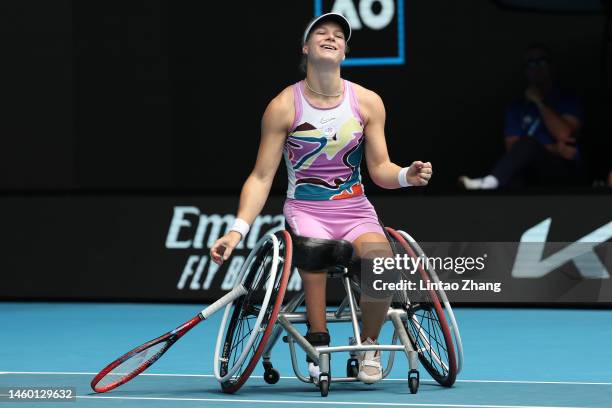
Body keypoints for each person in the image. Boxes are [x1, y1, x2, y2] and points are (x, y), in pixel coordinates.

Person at [210, 13, 432, 384]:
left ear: (344, 51)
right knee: (313, 253)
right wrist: (236, 231)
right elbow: (262, 176)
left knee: (382, 264)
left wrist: (405, 176)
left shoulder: (367, 102)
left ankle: (370, 346)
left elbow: (379, 169)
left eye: (338, 36)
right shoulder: (283, 106)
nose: (331, 38)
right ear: (306, 48)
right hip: (307, 210)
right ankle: (318, 341)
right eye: (321, 34)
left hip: (355, 208)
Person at [459, 44, 584, 189]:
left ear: (551, 66)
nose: (537, 67)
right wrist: (554, 148)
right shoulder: (517, 107)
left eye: (541, 61)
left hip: (561, 169)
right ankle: (491, 183)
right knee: (521, 160)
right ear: (525, 70)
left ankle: (490, 182)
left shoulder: (568, 99)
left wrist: (539, 102)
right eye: (531, 63)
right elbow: (514, 148)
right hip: (528, 172)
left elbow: (565, 135)